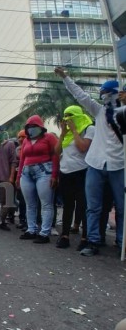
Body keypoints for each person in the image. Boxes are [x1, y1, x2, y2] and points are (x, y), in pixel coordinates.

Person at [55, 67, 125, 256]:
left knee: (121, 207)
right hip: (95, 164)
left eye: (106, 93)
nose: (103, 96)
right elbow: (80, 95)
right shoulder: (99, 112)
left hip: (118, 165)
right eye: (102, 93)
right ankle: (93, 241)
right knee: (92, 207)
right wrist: (65, 77)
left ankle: (121, 242)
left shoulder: (123, 113)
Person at [54, 105, 94, 250]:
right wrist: (63, 133)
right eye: (65, 116)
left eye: (70, 115)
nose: (67, 118)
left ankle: (85, 238)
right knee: (68, 205)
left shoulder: (89, 129)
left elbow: (82, 147)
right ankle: (65, 236)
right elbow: (57, 151)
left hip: (82, 172)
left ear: (78, 115)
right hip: (65, 173)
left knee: (83, 205)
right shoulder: (66, 132)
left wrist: (75, 130)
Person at [16, 115, 59, 244]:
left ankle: (44, 233)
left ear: (40, 127)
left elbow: (55, 155)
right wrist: (19, 176)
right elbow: (22, 159)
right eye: (29, 127)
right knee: (30, 204)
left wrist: (55, 175)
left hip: (44, 171)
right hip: (26, 172)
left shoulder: (49, 137)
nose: (31, 129)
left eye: (34, 126)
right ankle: (31, 230)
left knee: (46, 203)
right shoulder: (26, 141)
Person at [15, 130, 27, 231]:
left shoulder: (31, 147)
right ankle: (22, 220)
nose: (20, 139)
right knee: (21, 201)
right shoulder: (17, 149)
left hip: (31, 177)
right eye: (19, 137)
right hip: (20, 177)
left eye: (22, 137)